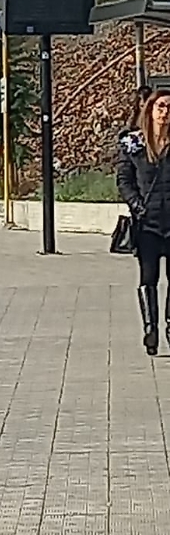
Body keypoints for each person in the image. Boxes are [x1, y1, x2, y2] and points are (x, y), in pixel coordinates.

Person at [118, 90, 170, 355]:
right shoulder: (133, 144)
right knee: (148, 277)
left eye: (169, 108)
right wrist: (137, 206)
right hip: (147, 223)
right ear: (150, 110)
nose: (165, 112)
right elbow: (124, 181)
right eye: (161, 106)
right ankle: (151, 328)